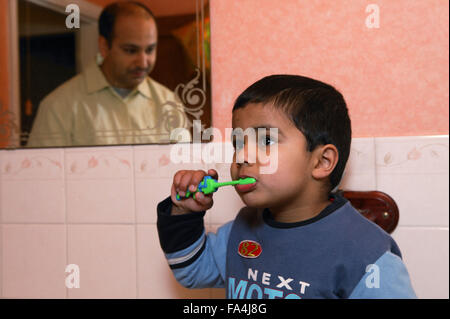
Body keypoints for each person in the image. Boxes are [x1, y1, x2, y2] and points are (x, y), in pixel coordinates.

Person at [156, 74, 417, 299]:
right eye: (238, 143)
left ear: (322, 161)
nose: (243, 155)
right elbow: (191, 271)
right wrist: (184, 213)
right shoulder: (242, 229)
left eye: (266, 140)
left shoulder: (367, 254)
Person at [27, 1, 189, 147]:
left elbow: (185, 166)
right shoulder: (58, 107)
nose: (143, 62)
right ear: (104, 46)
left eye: (150, 50)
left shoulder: (169, 104)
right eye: (131, 50)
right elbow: (41, 176)